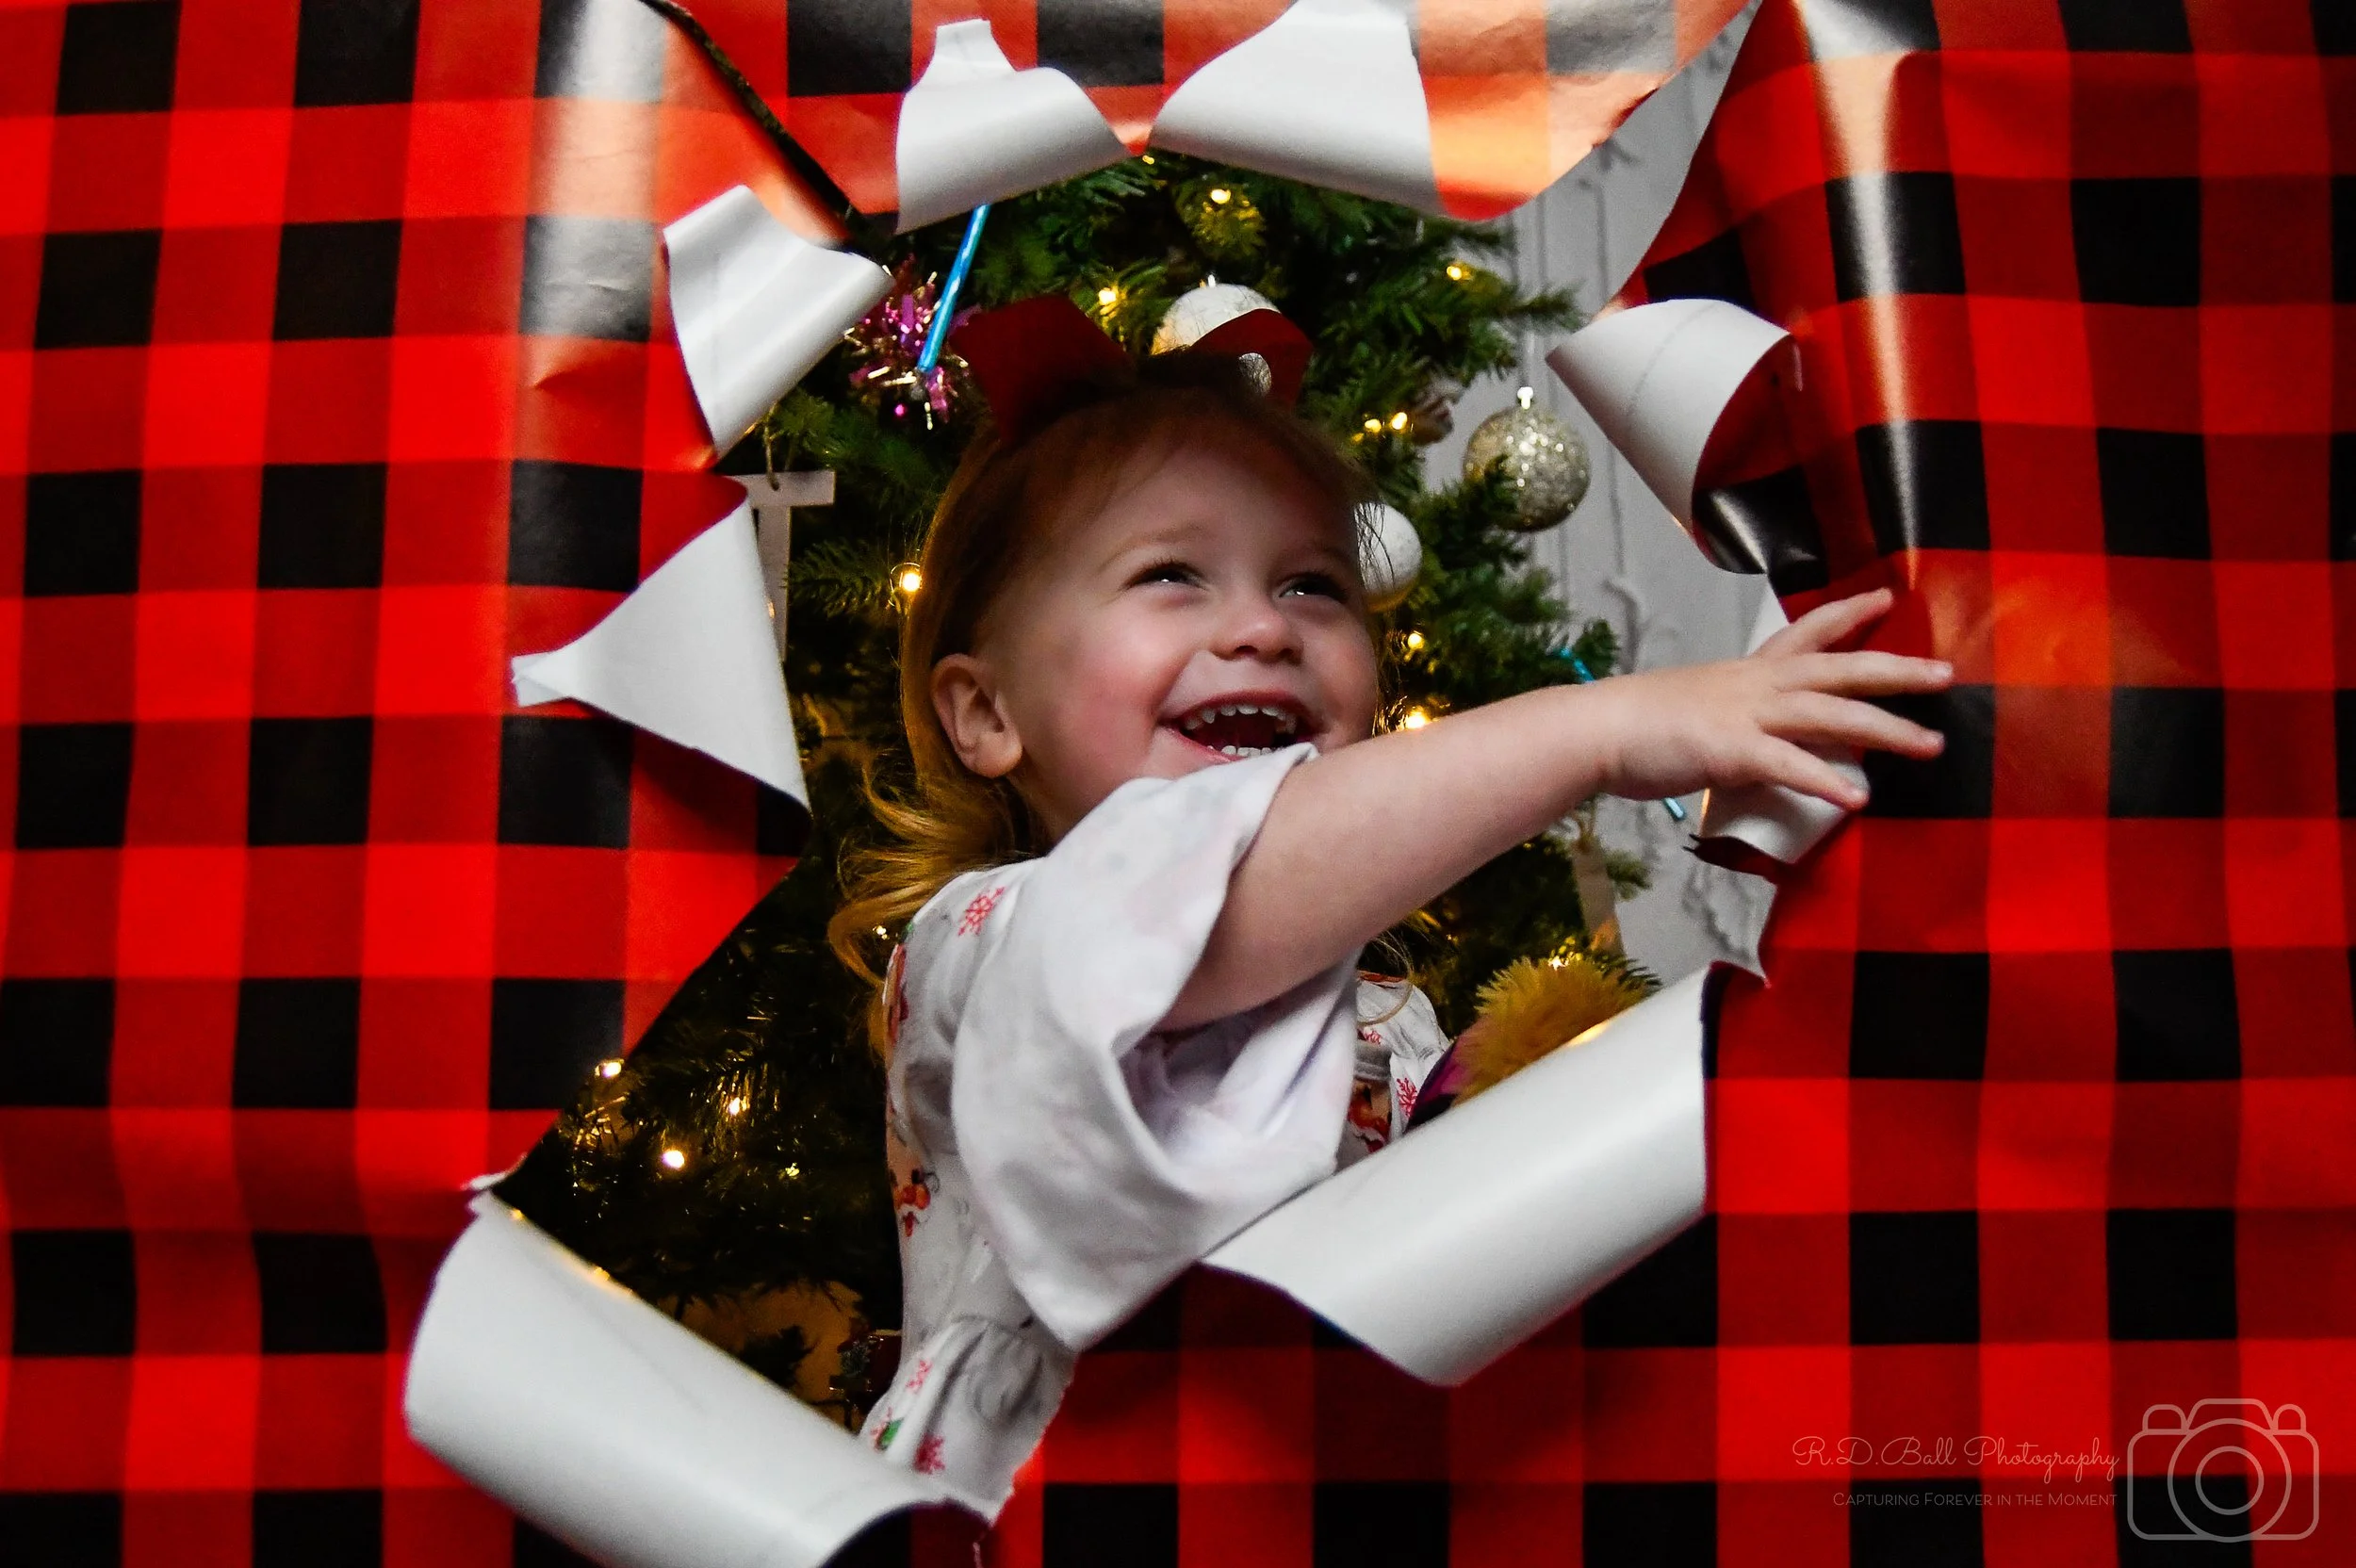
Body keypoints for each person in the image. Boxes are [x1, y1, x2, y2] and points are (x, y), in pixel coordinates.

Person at [826, 296, 1951, 1511]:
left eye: (1314, 585)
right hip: (1069, 1498)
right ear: (988, 715)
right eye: (1169, 574)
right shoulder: (982, 944)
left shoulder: (1386, 1019)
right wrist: (1607, 725)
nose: (1263, 626)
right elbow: (1216, 892)